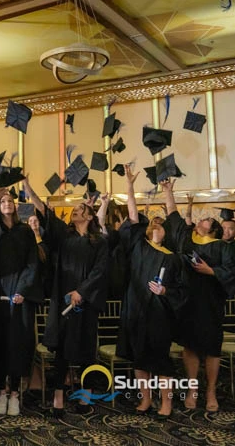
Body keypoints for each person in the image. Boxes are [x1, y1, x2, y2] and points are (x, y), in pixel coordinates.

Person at [23, 177, 108, 417]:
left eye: (80, 209)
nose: (74, 212)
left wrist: (82, 292)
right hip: (63, 301)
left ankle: (84, 399)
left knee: (86, 350)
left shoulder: (99, 242)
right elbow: (44, 211)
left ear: (90, 216)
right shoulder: (64, 238)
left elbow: (100, 271)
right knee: (62, 351)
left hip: (86, 303)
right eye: (73, 209)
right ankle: (58, 399)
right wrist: (28, 186)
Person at [116, 167, 186, 418]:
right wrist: (130, 185)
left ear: (166, 231)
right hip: (136, 308)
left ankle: (166, 403)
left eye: (161, 222)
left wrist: (165, 289)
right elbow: (133, 214)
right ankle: (145, 400)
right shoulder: (137, 245)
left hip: (159, 313)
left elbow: (180, 289)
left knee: (160, 358)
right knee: (139, 358)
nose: (156, 223)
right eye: (153, 221)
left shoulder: (173, 258)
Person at [161, 179, 235, 413]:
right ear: (197, 226)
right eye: (205, 218)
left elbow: (232, 270)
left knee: (213, 348)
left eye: (211, 220)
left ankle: (211, 390)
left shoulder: (223, 247)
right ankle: (193, 389)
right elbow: (173, 215)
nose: (208, 219)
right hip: (188, 301)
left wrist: (211, 271)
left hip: (211, 301)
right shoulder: (186, 239)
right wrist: (168, 192)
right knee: (190, 346)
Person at [0, 180, 41, 415]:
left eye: (10, 201)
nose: (7, 204)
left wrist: (23, 290)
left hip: (19, 294)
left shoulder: (24, 231)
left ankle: (14, 393)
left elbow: (32, 263)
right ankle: (1, 392)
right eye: (2, 201)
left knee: (17, 344)